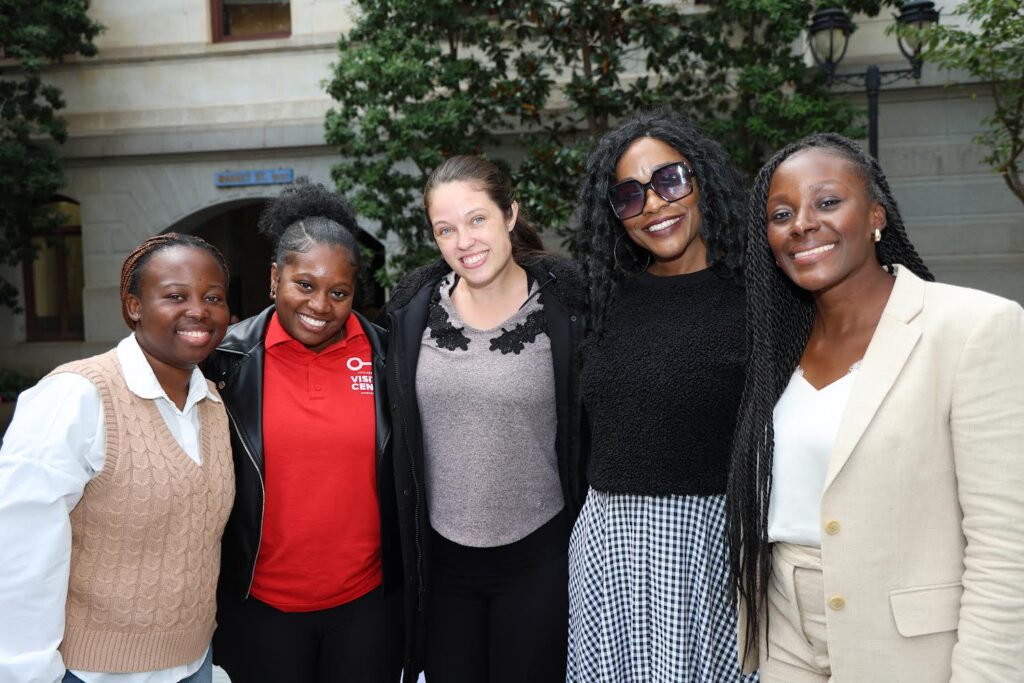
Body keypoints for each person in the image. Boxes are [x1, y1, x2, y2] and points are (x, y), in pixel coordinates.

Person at [727, 133, 1024, 681]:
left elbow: (1006, 543)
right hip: (784, 629)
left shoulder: (972, 327)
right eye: (782, 213)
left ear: (876, 217)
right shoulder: (775, 346)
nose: (802, 224)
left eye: (828, 202)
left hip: (906, 643)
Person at [384, 155, 587, 682]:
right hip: (444, 567)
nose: (463, 241)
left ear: (510, 214)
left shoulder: (570, 312)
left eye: (477, 219)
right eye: (445, 229)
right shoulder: (412, 316)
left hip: (540, 559)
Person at [570, 109, 753, 682]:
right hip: (608, 553)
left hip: (709, 557)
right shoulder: (604, 301)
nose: (653, 204)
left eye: (669, 181)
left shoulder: (759, 299)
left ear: (701, 181)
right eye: (628, 196)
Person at [0, 233, 234, 683]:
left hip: (193, 663)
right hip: (90, 672)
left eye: (213, 297)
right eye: (175, 296)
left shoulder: (212, 403)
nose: (199, 310)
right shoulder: (78, 395)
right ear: (133, 306)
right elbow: (21, 551)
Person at [203, 181, 403, 682]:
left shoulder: (388, 359)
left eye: (339, 292)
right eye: (305, 285)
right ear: (275, 279)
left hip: (366, 606)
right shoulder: (223, 362)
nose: (321, 305)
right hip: (260, 605)